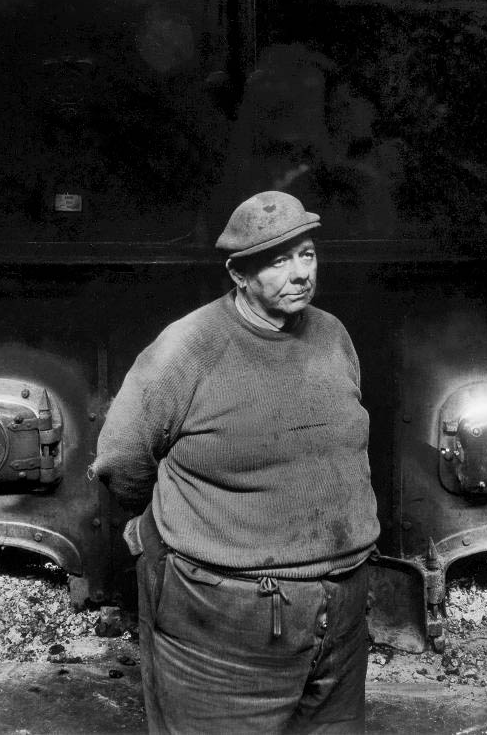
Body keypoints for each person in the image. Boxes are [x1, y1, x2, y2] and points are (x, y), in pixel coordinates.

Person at [91, 190, 380, 735]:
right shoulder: (187, 348)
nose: (299, 275)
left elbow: (338, 443)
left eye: (308, 255)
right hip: (224, 618)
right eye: (278, 261)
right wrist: (177, 528)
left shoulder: (332, 335)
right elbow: (121, 460)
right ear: (239, 274)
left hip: (338, 610)